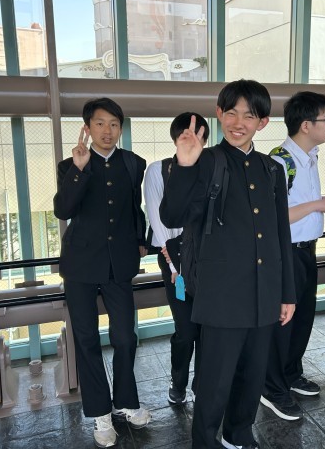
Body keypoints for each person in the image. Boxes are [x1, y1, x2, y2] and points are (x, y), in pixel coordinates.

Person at [160, 79, 296, 449]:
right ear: (219, 114)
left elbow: (280, 235)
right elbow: (172, 215)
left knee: (252, 376)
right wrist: (184, 164)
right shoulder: (204, 161)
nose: (239, 123)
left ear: (262, 122)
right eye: (231, 113)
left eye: (249, 116)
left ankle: (239, 435)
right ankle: (205, 441)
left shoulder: (272, 169)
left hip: (264, 292)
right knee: (214, 381)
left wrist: (286, 293)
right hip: (221, 295)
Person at [53, 98, 151, 448]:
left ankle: (125, 401)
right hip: (80, 264)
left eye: (113, 124)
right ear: (87, 127)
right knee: (86, 340)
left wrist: (140, 240)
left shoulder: (134, 163)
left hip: (119, 263)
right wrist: (79, 171)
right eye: (99, 123)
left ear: (120, 128)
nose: (107, 131)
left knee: (125, 336)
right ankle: (100, 413)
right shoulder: (70, 165)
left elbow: (135, 208)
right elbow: (63, 209)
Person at [261, 91, 325, 420]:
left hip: (307, 250)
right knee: (283, 322)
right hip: (286, 254)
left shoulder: (311, 156)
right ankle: (271, 387)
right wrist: (318, 204)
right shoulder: (280, 161)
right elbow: (272, 215)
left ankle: (291, 373)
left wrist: (317, 204)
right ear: (306, 125)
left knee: (303, 318)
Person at [144, 112, 208, 404]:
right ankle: (178, 382)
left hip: (206, 258)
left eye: (200, 136)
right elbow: (159, 220)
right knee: (185, 330)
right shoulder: (158, 170)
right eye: (187, 135)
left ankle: (202, 385)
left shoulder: (210, 169)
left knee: (207, 328)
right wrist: (173, 266)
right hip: (174, 257)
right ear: (176, 138)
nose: (194, 141)